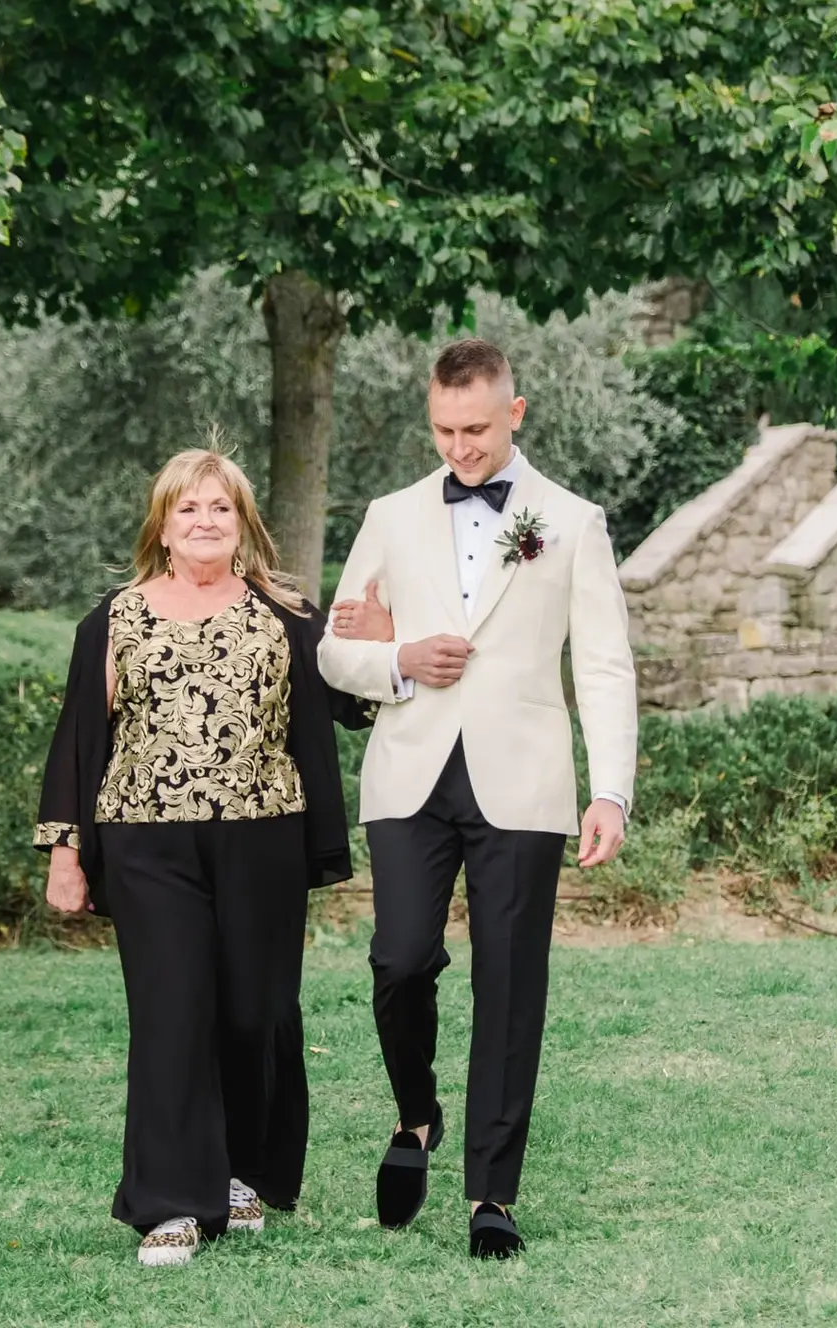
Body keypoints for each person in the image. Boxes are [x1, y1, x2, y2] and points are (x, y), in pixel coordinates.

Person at [319, 336, 638, 1260]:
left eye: (476, 431)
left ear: (515, 413)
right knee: (398, 961)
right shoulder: (390, 515)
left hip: (525, 782)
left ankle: (491, 1195)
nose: (459, 449)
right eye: (444, 431)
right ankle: (416, 1114)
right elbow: (335, 651)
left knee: (509, 983)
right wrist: (400, 658)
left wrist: (611, 790)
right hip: (409, 772)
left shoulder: (572, 522)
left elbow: (605, 665)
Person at [35, 448, 354, 1269]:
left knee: (255, 1012)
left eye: (220, 507)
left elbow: (351, 698)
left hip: (263, 838)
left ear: (243, 523)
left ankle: (242, 1173)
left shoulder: (288, 615)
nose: (205, 520)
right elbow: (79, 739)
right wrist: (66, 851)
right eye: (188, 508)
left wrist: (385, 643)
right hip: (147, 841)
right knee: (173, 1013)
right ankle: (171, 1204)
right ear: (163, 526)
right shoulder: (115, 619)